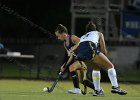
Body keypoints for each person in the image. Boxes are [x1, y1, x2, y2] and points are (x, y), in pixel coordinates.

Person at [73, 21, 127, 96]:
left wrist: (99, 60)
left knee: (96, 67)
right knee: (110, 66)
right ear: (95, 29)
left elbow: (80, 47)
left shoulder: (83, 36)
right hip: (90, 50)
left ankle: (98, 91)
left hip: (79, 55)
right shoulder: (98, 33)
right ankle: (115, 87)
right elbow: (103, 50)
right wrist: (104, 59)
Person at [55, 24, 95, 94]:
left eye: (58, 36)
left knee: (71, 67)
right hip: (79, 60)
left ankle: (77, 89)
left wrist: (73, 48)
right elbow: (71, 56)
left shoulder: (72, 38)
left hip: (86, 57)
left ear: (64, 34)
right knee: (81, 80)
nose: (58, 38)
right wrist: (64, 66)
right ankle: (98, 89)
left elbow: (81, 42)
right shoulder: (65, 44)